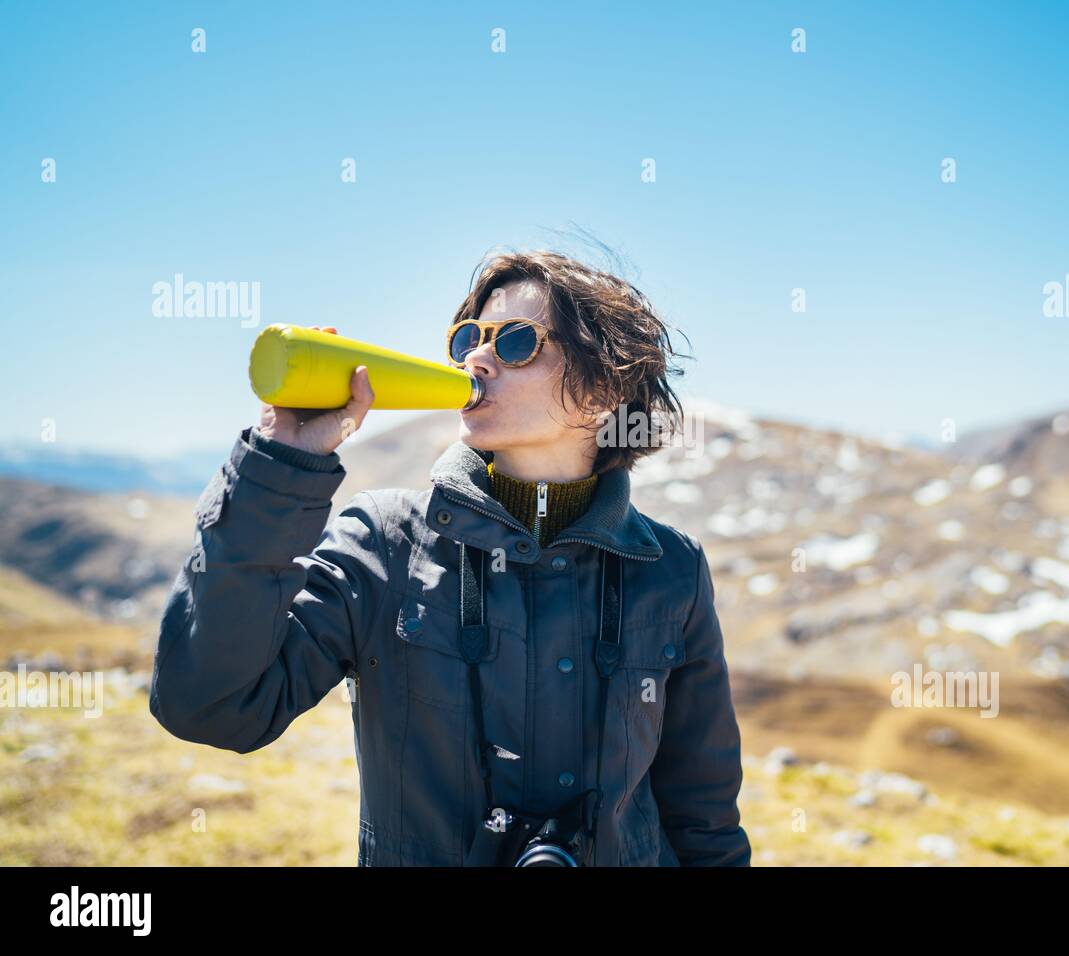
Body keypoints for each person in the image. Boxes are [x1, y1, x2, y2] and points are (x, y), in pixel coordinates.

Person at [149, 250, 752, 866]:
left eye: (517, 342)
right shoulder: (384, 541)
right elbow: (214, 708)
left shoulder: (670, 569)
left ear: (603, 389)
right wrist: (280, 465)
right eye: (469, 337)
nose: (476, 357)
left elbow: (702, 814)